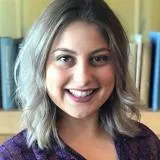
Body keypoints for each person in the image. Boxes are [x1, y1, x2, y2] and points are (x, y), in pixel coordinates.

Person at [0, 0, 160, 159]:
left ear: (118, 66)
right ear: (40, 66)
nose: (83, 79)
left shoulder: (146, 144)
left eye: (99, 59)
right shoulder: (13, 156)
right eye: (64, 58)